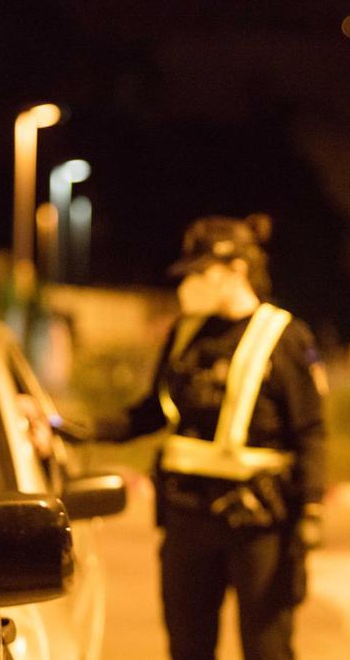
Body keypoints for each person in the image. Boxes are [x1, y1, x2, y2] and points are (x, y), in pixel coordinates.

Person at [107, 214, 327, 660]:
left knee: (267, 648)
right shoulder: (185, 334)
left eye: (202, 273)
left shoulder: (285, 337)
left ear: (237, 271)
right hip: (188, 519)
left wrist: (310, 515)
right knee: (188, 648)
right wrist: (75, 429)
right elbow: (152, 411)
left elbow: (310, 432)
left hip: (258, 524)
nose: (191, 285)